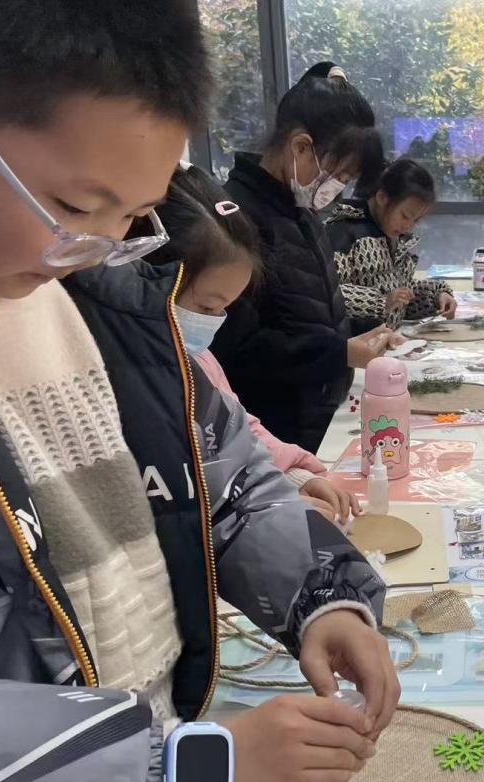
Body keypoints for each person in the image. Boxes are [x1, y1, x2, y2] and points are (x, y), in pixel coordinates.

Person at [0, 5, 399, 782]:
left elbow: (229, 481)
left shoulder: (107, 303)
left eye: (131, 218)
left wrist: (321, 598)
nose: (95, 244)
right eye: (75, 206)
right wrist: (187, 767)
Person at [138, 163, 359, 523]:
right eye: (206, 307)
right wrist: (262, 504)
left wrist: (294, 476)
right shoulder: (130, 377)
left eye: (225, 307)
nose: (214, 320)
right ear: (147, 276)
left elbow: (241, 431)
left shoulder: (200, 359)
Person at [213, 62, 392, 454]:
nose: (338, 188)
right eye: (339, 174)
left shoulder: (302, 211)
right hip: (275, 431)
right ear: (300, 147)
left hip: (319, 414)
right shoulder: (236, 218)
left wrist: (362, 330)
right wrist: (340, 353)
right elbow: (236, 348)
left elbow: (308, 311)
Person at [326, 158, 457, 328]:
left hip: (389, 338)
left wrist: (436, 297)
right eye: (405, 216)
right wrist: (380, 302)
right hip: (355, 342)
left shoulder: (393, 235)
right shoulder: (343, 231)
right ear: (382, 198)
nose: (408, 226)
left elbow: (403, 295)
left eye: (416, 220)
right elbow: (327, 295)